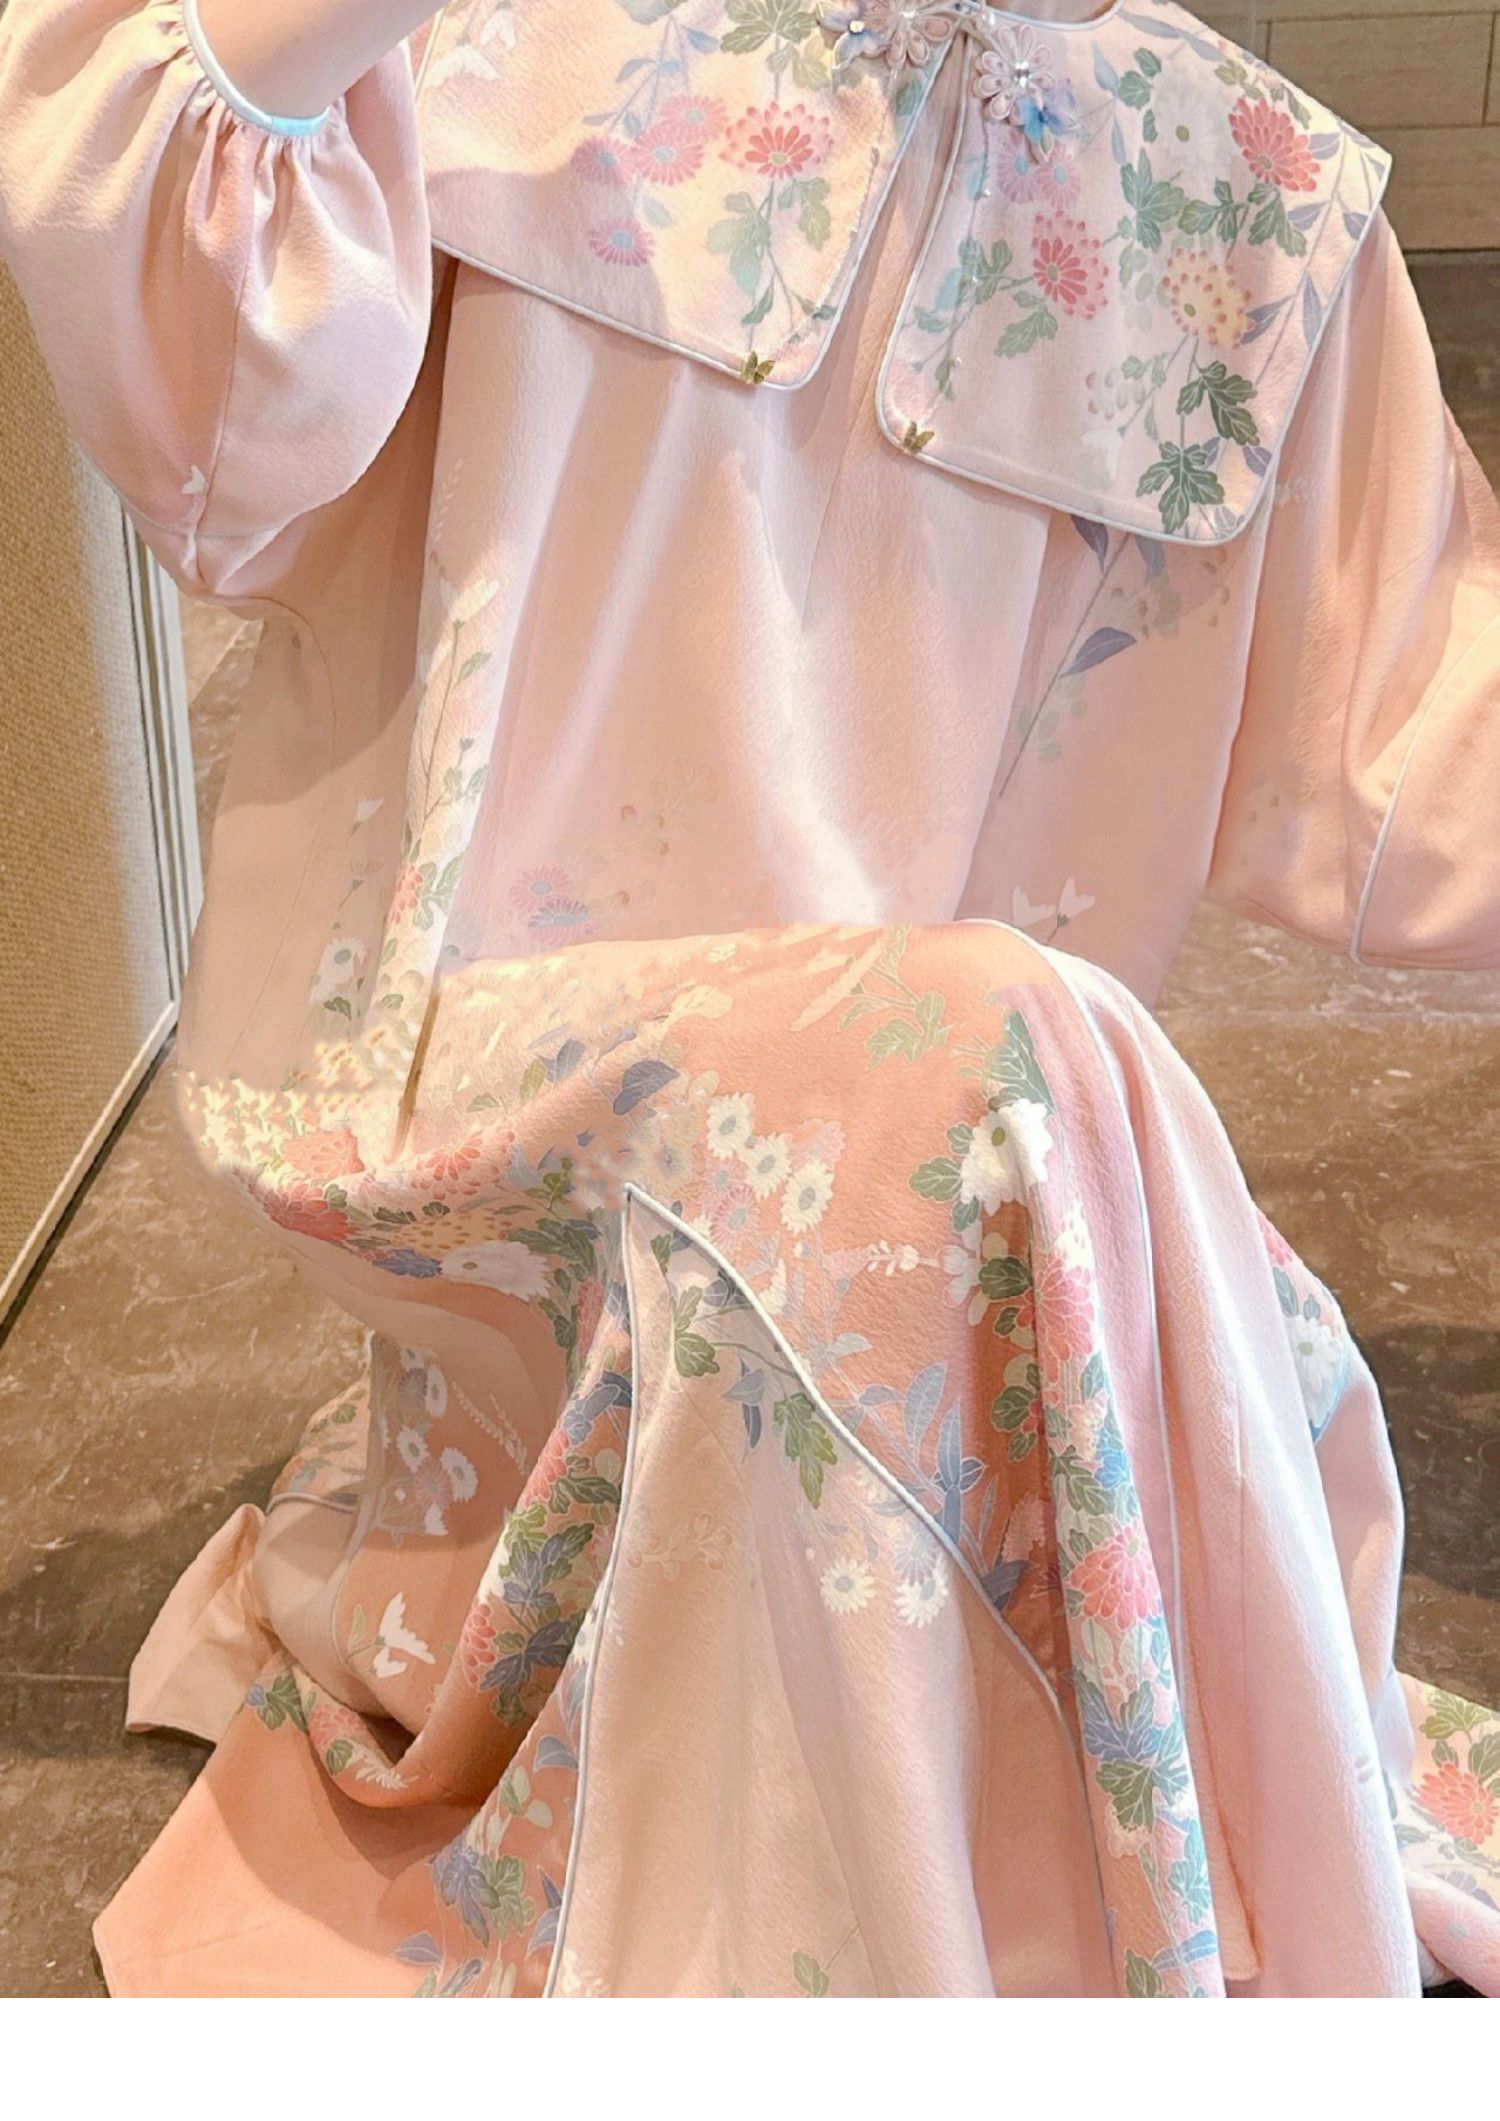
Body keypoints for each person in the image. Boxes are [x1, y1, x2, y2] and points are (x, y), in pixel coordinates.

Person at [0, 0, 1496, 1994]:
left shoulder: (1237, 190)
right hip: (480, 1073)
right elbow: (202, 381)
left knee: (1069, 1166)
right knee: (998, 1070)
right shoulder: (504, 53)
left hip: (927, 1152)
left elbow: (1426, 738)